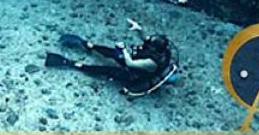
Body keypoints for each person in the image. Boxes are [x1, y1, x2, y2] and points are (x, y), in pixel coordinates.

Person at [44, 27, 179, 98]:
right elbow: (147, 40)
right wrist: (139, 30)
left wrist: (124, 49)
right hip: (135, 63)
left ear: (154, 49)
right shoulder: (161, 51)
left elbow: (130, 64)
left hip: (134, 74)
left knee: (108, 70)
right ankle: (91, 46)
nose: (146, 43)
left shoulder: (151, 62)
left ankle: (78, 65)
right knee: (113, 53)